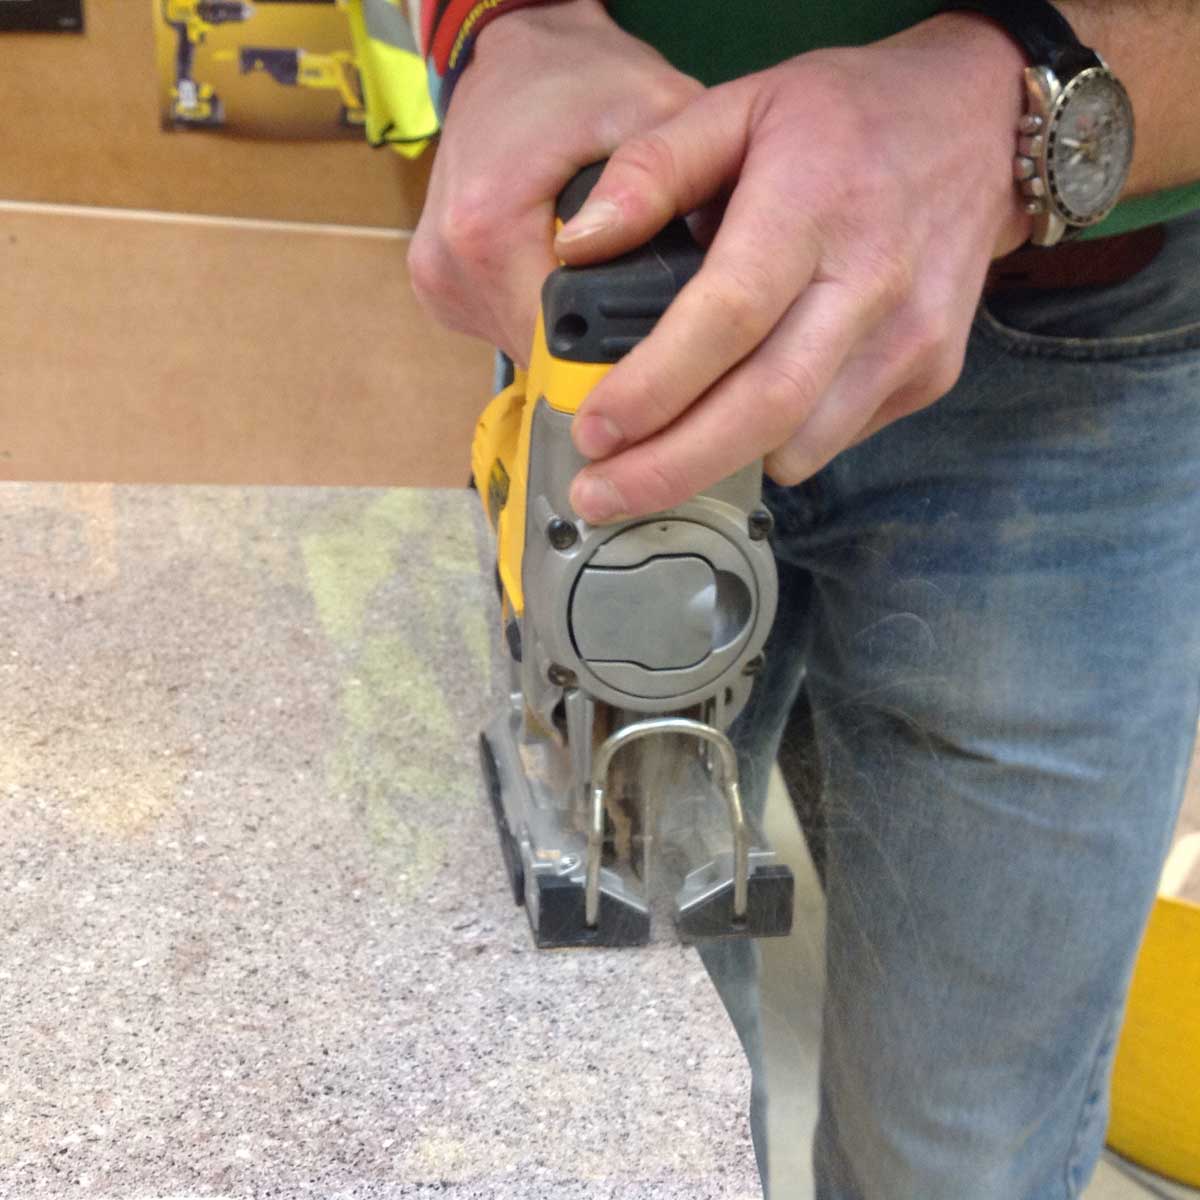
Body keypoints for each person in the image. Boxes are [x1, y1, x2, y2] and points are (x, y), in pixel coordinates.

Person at [406, 2, 1200, 1196]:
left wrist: (1034, 91)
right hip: (622, 291)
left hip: (1084, 318)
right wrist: (502, 20)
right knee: (627, 1103)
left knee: (960, 1160)